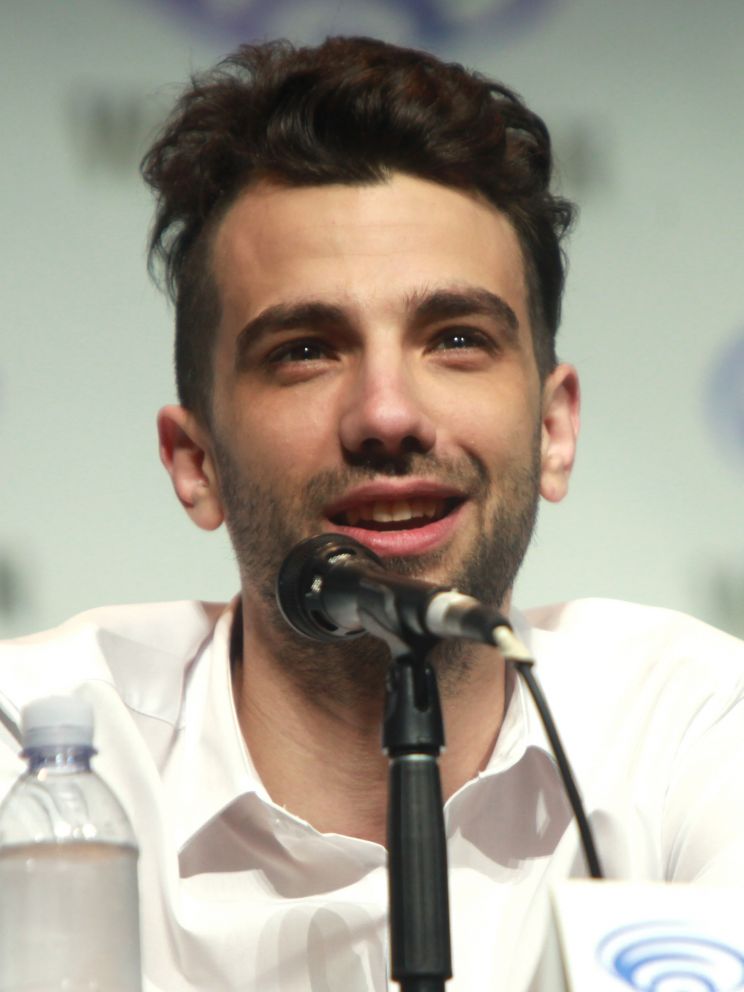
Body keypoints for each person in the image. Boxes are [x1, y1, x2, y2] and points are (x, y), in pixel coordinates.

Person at [1, 35, 743, 992]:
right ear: (196, 463)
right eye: (306, 350)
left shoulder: (695, 736)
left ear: (554, 430)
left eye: (457, 339)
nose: (387, 415)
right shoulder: (34, 759)